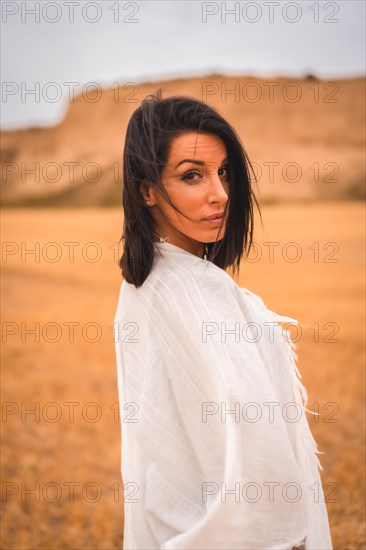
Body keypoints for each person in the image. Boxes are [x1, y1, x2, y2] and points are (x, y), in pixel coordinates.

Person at [113, 90, 333, 549]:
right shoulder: (195, 290)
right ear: (147, 190)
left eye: (224, 172)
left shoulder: (145, 283)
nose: (220, 194)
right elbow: (253, 439)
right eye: (192, 175)